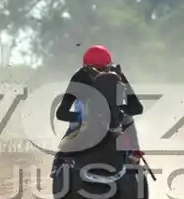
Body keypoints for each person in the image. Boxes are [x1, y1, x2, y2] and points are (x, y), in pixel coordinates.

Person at [51, 44, 144, 174]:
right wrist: (81, 117)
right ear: (86, 69)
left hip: (114, 116)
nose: (100, 74)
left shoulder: (117, 75)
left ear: (109, 67)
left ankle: (133, 153)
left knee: (128, 118)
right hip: (87, 115)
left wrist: (119, 111)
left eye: (104, 70)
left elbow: (137, 107)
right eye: (95, 70)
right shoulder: (79, 77)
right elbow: (61, 113)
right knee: (75, 125)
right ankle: (63, 158)